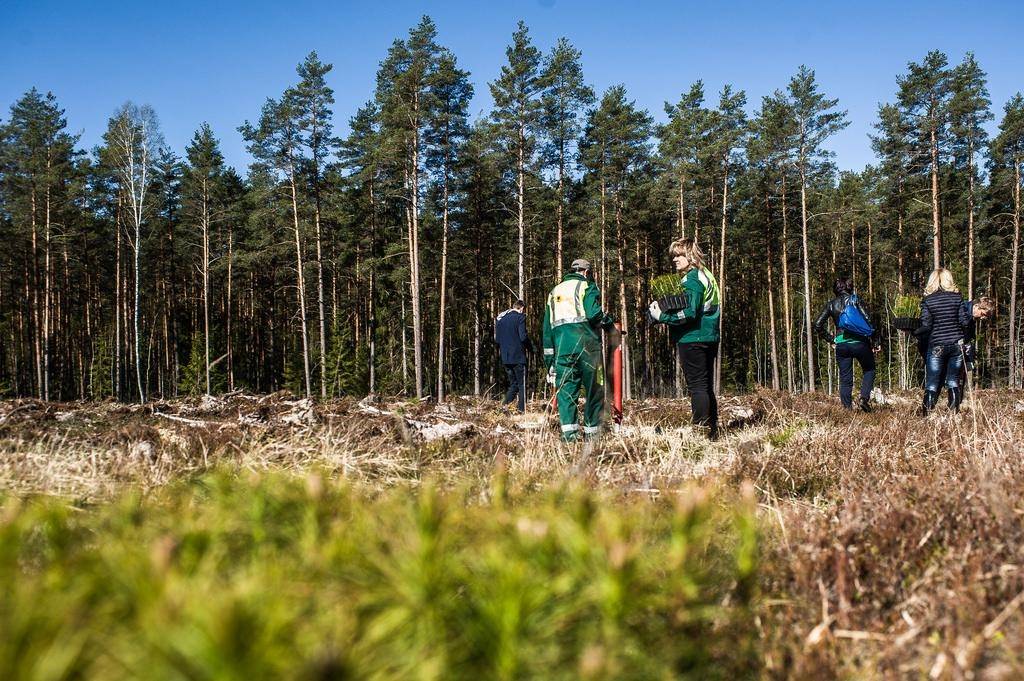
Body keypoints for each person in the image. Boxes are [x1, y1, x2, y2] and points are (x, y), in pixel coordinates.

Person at [648, 238, 721, 439]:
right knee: (705, 386)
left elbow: (689, 312)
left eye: (679, 255)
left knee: (697, 386)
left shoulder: (692, 279)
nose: (675, 259)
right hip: (709, 335)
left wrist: (662, 317)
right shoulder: (706, 275)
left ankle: (700, 431)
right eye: (674, 256)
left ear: (690, 255)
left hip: (693, 337)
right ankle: (712, 431)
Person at [542, 258, 615, 442]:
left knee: (566, 393)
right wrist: (609, 325)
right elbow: (594, 314)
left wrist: (549, 361)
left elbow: (547, 329)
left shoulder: (554, 292)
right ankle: (592, 435)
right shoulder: (587, 287)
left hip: (562, 351)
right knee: (595, 389)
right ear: (585, 272)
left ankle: (569, 436)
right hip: (588, 348)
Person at [812, 278, 878, 412]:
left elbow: (817, 324)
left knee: (845, 379)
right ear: (849, 288)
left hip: (842, 344)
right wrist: (875, 341)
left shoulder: (831, 304)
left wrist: (831, 339)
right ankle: (864, 399)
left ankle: (847, 411)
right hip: (860, 342)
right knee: (869, 369)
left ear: (835, 290)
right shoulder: (855, 300)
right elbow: (869, 320)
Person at [916, 268, 966, 414]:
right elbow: (964, 321)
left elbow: (926, 326)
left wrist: (914, 332)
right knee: (953, 381)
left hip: (937, 345)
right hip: (957, 345)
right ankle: (954, 416)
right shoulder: (957, 298)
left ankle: (926, 416)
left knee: (931, 383)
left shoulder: (928, 301)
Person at [494, 300, 536, 413]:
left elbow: (497, 340)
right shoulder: (520, 318)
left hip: (505, 358)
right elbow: (523, 337)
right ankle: (522, 411)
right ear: (521, 308)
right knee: (522, 384)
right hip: (518, 357)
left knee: (514, 385)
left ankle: (503, 406)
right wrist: (531, 349)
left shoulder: (501, 320)